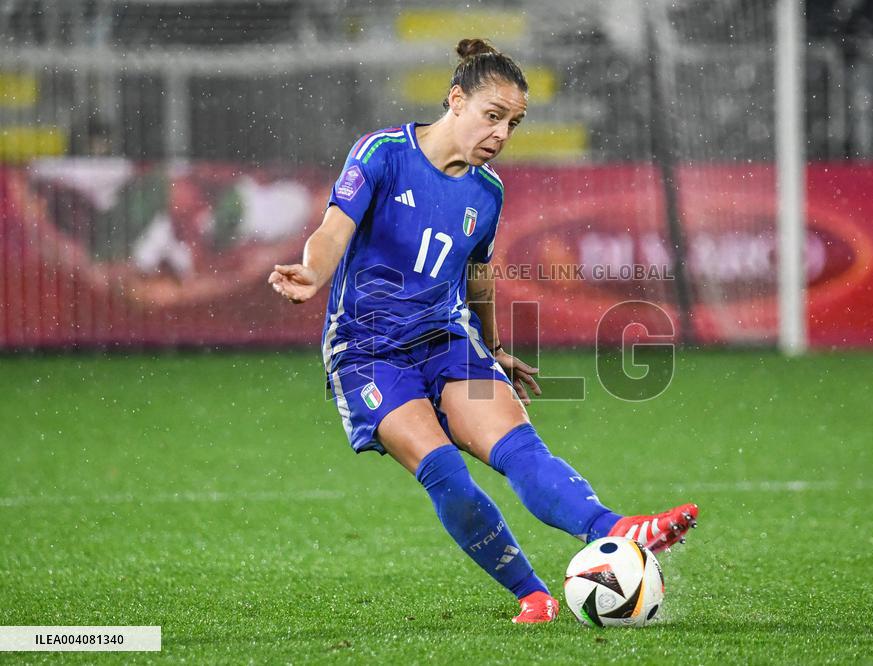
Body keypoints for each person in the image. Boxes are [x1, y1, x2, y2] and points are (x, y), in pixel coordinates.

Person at [268, 38, 698, 624]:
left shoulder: (487, 191)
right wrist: (312, 273)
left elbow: (477, 276)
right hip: (368, 352)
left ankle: (618, 528)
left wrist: (493, 348)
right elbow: (333, 229)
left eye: (513, 124)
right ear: (455, 100)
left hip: (446, 339)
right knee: (445, 470)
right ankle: (533, 593)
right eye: (492, 116)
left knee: (519, 448)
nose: (500, 134)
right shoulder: (383, 153)